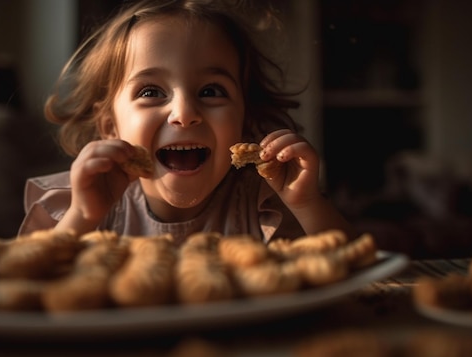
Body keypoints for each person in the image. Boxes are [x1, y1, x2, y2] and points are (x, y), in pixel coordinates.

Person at [19, 0, 353, 244]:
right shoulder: (83, 202)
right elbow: (26, 286)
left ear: (244, 120)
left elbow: (358, 277)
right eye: (151, 91)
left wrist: (307, 203)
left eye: (211, 90)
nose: (184, 112)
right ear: (110, 126)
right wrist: (81, 217)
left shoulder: (268, 204)